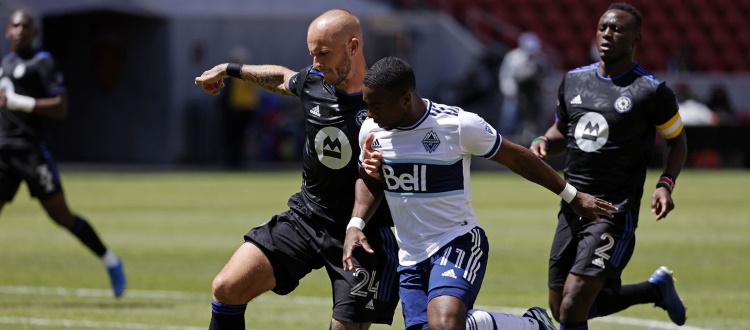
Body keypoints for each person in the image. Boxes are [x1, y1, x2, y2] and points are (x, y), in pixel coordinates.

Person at [343, 56, 618, 330]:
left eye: (376, 106)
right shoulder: (372, 130)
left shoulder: (458, 125)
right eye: (367, 105)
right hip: (410, 257)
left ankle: (530, 326)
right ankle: (532, 326)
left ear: (405, 99)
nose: (369, 114)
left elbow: (517, 158)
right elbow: (369, 181)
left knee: (445, 324)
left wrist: (572, 195)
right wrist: (357, 223)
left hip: (457, 241)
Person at [194, 9, 399, 330]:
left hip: (363, 234)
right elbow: (281, 78)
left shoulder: (388, 104)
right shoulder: (314, 82)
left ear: (354, 47)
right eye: (312, 54)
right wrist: (228, 69)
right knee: (227, 287)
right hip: (307, 217)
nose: (316, 62)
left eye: (324, 53)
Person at [529, 3, 689, 329]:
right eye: (603, 27)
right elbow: (562, 131)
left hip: (614, 209)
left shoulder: (651, 91)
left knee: (574, 305)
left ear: (636, 39)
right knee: (560, 305)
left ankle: (653, 289)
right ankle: (654, 289)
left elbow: (677, 141)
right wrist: (544, 141)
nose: (607, 34)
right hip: (573, 203)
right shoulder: (574, 81)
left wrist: (666, 183)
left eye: (617, 29)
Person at [0, 10, 126, 297]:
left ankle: (111, 260)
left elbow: (60, 106)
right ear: (7, 31)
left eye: (25, 26)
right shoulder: (5, 63)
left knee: (61, 216)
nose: (20, 30)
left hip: (31, 152)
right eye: (15, 25)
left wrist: (19, 102)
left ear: (34, 32)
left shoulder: (42, 63)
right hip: (3, 153)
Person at [498, 32, 550, 143]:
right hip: (514, 91)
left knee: (532, 115)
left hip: (530, 94)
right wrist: (509, 88)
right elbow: (506, 74)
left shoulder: (539, 60)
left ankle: (529, 135)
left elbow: (544, 76)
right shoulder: (513, 57)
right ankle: (506, 136)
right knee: (510, 113)